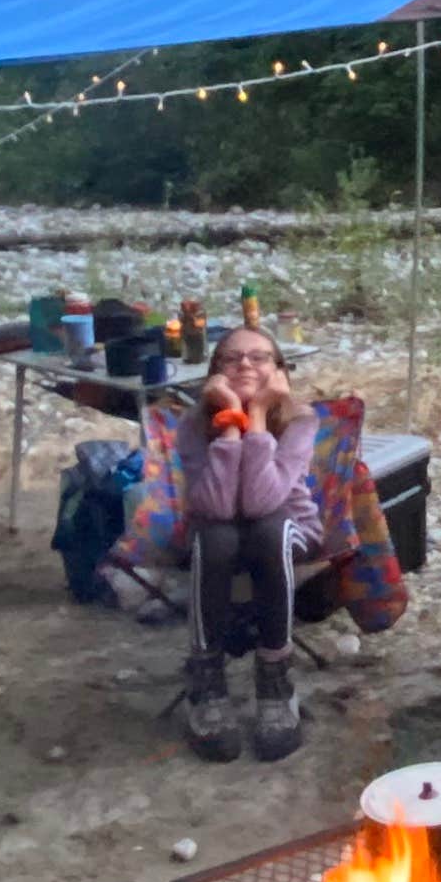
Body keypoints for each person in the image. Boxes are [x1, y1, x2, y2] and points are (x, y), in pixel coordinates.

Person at [177, 320, 316, 763]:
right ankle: (207, 681)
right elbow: (216, 506)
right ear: (214, 371)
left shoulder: (299, 421)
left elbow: (262, 502)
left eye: (259, 357)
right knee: (216, 536)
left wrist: (256, 417)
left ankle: (275, 680)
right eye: (231, 357)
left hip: (285, 528)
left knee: (268, 530)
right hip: (218, 532)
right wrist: (231, 422)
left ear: (279, 370)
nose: (244, 364)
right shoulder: (193, 424)